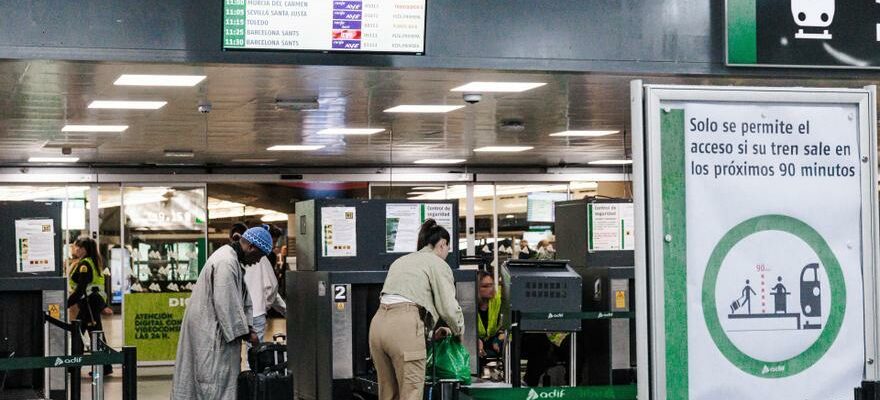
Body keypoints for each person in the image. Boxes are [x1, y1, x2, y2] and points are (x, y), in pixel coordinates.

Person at [171, 226, 274, 400]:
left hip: (212, 330)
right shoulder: (226, 262)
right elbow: (227, 305)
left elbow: (239, 299)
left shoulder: (230, 258)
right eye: (259, 257)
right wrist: (248, 333)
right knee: (213, 381)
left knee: (211, 380)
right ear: (251, 247)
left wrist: (248, 328)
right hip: (210, 335)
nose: (257, 262)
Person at [369, 219, 465, 400]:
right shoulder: (437, 263)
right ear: (442, 244)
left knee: (388, 394)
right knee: (411, 393)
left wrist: (429, 334)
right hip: (404, 327)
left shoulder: (401, 260)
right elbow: (448, 308)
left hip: (378, 326)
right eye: (447, 248)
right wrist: (458, 331)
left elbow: (405, 301)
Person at [67, 237, 114, 374]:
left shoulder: (85, 265)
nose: (77, 250)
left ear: (85, 249)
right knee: (94, 333)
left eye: (79, 247)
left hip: (90, 303)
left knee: (81, 333)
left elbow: (81, 289)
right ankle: (104, 366)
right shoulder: (92, 262)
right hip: (92, 302)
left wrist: (67, 303)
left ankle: (75, 366)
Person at [244, 224, 287, 346]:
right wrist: (267, 305)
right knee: (255, 351)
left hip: (241, 312)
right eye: (271, 242)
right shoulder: (263, 258)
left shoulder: (237, 258)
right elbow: (272, 287)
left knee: (239, 350)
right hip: (257, 310)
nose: (272, 246)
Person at [477, 271, 505, 362]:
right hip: (475, 341)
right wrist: (476, 340)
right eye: (485, 286)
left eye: (492, 285)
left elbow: (506, 328)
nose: (491, 289)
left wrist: (498, 340)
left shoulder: (498, 300)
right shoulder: (468, 304)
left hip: (494, 340)